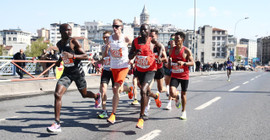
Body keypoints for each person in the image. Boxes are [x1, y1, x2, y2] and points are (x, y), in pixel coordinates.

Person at [47, 24, 101, 133]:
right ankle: (57, 123)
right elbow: (64, 55)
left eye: (70, 30)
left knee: (84, 94)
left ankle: (96, 96)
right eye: (67, 30)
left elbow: (85, 56)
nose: (69, 32)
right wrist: (59, 61)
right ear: (61, 31)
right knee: (57, 94)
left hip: (78, 72)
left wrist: (73, 56)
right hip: (67, 73)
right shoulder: (59, 43)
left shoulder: (73, 42)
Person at [129, 24, 162, 129]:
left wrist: (159, 57)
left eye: (145, 30)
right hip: (140, 69)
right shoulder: (135, 41)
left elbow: (161, 47)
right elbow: (129, 56)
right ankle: (155, 96)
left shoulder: (152, 41)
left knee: (143, 90)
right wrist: (135, 53)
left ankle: (141, 117)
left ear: (148, 31)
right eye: (141, 29)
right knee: (146, 91)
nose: (143, 31)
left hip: (151, 69)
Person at [105, 19, 132, 124]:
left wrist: (132, 59)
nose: (114, 28)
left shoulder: (125, 38)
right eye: (113, 26)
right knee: (118, 89)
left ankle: (113, 114)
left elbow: (134, 48)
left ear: (121, 27)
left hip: (124, 66)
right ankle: (129, 89)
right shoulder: (110, 38)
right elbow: (107, 50)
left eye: (117, 26)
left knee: (115, 88)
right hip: (114, 66)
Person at [169, 31, 194, 120]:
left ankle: (183, 112)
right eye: (174, 38)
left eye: (177, 38)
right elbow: (169, 61)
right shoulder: (172, 50)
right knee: (172, 92)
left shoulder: (186, 51)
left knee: (184, 94)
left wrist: (184, 63)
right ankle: (177, 96)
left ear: (182, 39)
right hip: (175, 74)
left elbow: (192, 63)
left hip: (184, 75)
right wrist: (168, 63)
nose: (175, 40)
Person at [97, 31, 115, 119]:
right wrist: (100, 65)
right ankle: (104, 111)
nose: (105, 39)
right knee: (103, 90)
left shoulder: (115, 46)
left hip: (115, 70)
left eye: (107, 37)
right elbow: (104, 58)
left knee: (117, 90)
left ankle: (128, 89)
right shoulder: (103, 47)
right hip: (106, 70)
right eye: (104, 37)